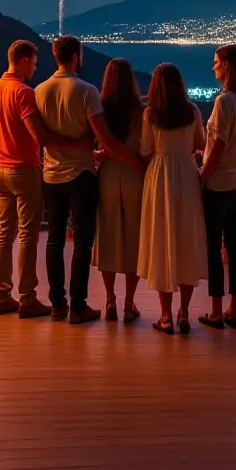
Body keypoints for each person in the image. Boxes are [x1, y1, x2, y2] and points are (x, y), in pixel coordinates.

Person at [35, 36, 145, 324]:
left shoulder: (40, 91)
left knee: (54, 240)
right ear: (75, 57)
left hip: (51, 174)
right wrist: (132, 161)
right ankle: (79, 305)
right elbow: (106, 139)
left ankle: (58, 304)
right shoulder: (86, 91)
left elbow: (41, 137)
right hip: (83, 174)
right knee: (83, 242)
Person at [0, 39, 94, 318]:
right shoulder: (23, 93)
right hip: (24, 169)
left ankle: (1, 295)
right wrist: (77, 144)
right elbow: (40, 136)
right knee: (28, 235)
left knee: (4, 233)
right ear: (22, 60)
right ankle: (28, 298)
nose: (35, 67)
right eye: (33, 62)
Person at [137, 63, 207, 335]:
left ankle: (165, 316)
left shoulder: (150, 114)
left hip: (159, 176)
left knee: (161, 240)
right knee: (186, 239)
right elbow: (198, 144)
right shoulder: (192, 111)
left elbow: (145, 149)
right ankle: (184, 313)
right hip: (187, 176)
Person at [198, 45, 236, 331]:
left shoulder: (224, 102)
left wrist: (203, 173)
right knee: (234, 245)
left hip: (220, 184)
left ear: (226, 65)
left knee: (213, 246)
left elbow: (219, 143)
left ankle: (215, 310)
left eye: (215, 63)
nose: (212, 68)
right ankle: (234, 310)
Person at [93, 59, 145, 323]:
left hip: (108, 177)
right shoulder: (140, 111)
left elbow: (98, 146)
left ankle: (110, 299)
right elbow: (145, 147)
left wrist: (103, 155)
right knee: (133, 239)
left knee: (108, 237)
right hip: (134, 176)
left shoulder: (99, 109)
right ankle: (128, 303)